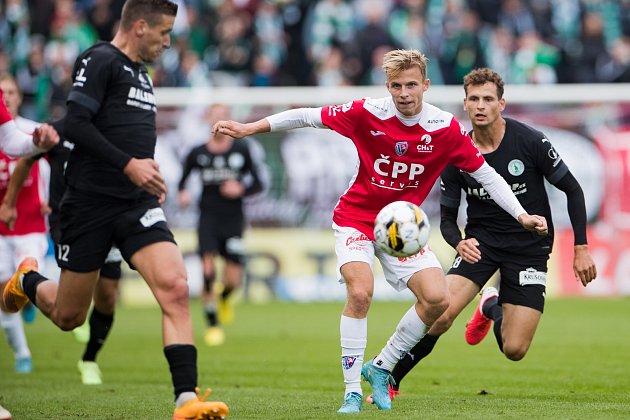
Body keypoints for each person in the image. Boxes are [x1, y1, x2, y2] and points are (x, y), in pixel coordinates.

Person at [211, 49, 547, 413]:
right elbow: (307, 116)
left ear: (426, 86)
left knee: (438, 300)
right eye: (397, 86)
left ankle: (382, 366)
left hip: (402, 229)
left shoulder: (444, 129)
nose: (404, 93)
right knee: (360, 293)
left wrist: (520, 215)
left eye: (412, 85)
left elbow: (486, 175)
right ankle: (352, 391)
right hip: (356, 219)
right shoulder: (366, 111)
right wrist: (250, 128)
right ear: (388, 86)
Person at [0, 1, 228, 418]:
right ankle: (27, 280)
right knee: (69, 316)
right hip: (88, 205)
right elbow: (78, 123)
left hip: (136, 204)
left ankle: (186, 399)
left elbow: (132, 137)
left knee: (175, 287)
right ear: (139, 27)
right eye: (163, 33)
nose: (168, 41)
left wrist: (149, 176)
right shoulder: (99, 59)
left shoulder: (143, 75)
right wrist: (129, 166)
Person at [383, 67, 597, 399]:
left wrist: (581, 247)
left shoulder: (530, 141)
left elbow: (573, 190)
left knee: (514, 348)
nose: (481, 105)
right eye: (474, 99)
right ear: (465, 105)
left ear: (502, 104)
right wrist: (459, 242)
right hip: (481, 245)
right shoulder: (455, 152)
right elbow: (448, 220)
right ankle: (390, 380)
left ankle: (491, 305)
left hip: (530, 247)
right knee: (439, 313)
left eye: (488, 99)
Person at [0, 118, 124, 385]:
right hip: (70, 223)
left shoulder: (119, 128)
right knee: (69, 312)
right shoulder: (57, 130)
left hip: (109, 218)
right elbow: (25, 161)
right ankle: (28, 285)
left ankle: (89, 359)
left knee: (108, 297)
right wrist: (9, 202)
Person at [178, 104, 263, 347]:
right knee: (207, 270)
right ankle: (213, 325)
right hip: (208, 219)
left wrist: (241, 189)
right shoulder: (197, 152)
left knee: (233, 280)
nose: (219, 122)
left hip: (233, 219)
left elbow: (258, 182)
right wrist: (182, 193)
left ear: (229, 121)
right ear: (208, 121)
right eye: (215, 118)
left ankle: (225, 298)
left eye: (223, 117)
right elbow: (182, 182)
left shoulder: (241, 149)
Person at [0, 79, 58, 420]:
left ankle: (28, 289)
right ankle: (22, 350)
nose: (5, 97)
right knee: (5, 294)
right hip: (2, 221)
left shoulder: (28, 130)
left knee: (21, 275)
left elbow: (34, 157)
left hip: (29, 220)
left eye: (9, 93)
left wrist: (51, 198)